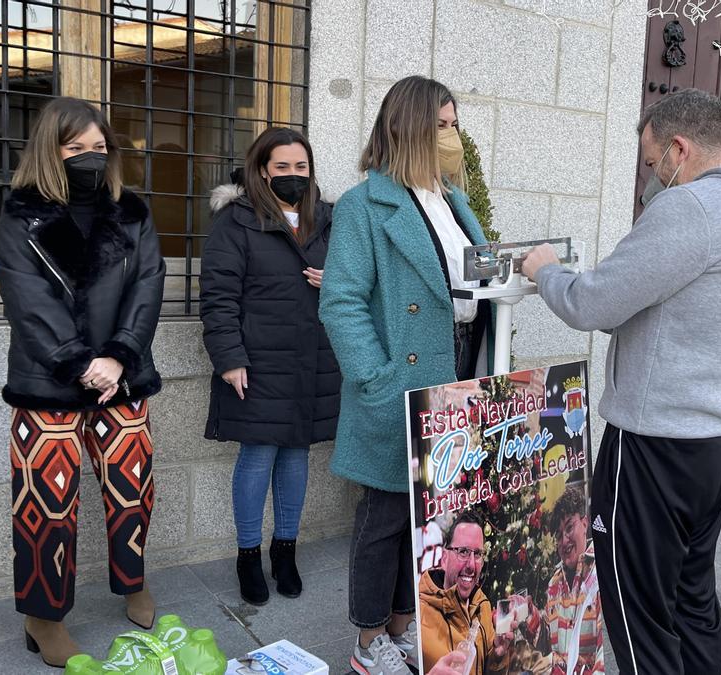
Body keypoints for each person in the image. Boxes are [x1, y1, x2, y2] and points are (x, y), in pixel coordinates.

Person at [522, 88, 721, 674]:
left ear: (679, 148)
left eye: (652, 163)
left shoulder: (692, 208)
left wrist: (547, 271)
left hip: (657, 445)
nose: (651, 177)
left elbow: (594, 304)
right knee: (692, 600)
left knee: (636, 610)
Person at [320, 74, 494, 675]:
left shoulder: (452, 199)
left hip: (458, 374)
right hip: (403, 381)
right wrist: (376, 376)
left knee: (429, 515)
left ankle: (403, 626)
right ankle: (370, 642)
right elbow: (340, 300)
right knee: (385, 517)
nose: (452, 136)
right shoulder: (364, 204)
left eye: (455, 124)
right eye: (441, 125)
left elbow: (473, 279)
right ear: (411, 128)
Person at [0, 96, 165, 667]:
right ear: (50, 149)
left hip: (122, 378)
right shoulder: (20, 216)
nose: (90, 157)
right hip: (50, 383)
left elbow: (148, 286)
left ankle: (132, 581)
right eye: (75, 148)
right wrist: (80, 362)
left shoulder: (130, 209)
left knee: (132, 488)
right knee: (47, 504)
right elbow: (27, 299)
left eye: (98, 147)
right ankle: (43, 619)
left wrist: (120, 355)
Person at [200, 126, 341, 605]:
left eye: (301, 167)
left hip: (311, 358)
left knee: (297, 455)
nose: (293, 175)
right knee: (258, 455)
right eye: (282, 167)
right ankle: (247, 555)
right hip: (256, 361)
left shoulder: (328, 220)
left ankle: (285, 551)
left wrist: (337, 279)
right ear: (262, 170)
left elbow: (365, 281)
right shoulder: (237, 221)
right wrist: (229, 358)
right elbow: (218, 298)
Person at [418, 512, 510, 674]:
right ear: (444, 558)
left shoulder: (483, 605)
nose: (472, 565)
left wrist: (497, 657)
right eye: (463, 552)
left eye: (478, 554)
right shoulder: (418, 614)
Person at [541, 485, 603, 675]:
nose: (564, 541)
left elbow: (606, 654)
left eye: (569, 527)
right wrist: (530, 618)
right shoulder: (553, 584)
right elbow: (549, 648)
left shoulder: (602, 573)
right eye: (559, 536)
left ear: (585, 523)